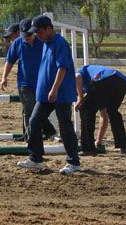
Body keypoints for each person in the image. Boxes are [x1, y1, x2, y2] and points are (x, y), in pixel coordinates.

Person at [17, 15, 81, 174]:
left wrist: (54, 89)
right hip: (46, 92)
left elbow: (62, 68)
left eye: (39, 31)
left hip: (61, 92)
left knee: (64, 124)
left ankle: (73, 161)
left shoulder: (60, 43)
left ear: (49, 28)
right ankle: (36, 159)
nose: (37, 35)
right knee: (34, 121)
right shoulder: (45, 42)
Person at [0, 19, 56, 142]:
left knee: (34, 110)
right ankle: (33, 136)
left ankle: (41, 132)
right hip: (24, 84)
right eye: (24, 36)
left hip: (42, 83)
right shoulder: (17, 43)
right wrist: (4, 77)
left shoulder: (43, 42)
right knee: (29, 109)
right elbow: (9, 61)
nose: (27, 38)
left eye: (29, 35)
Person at [75, 65, 126, 156]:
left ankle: (88, 148)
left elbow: (78, 77)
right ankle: (124, 147)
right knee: (112, 112)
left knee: (84, 108)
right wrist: (99, 140)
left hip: (104, 79)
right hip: (123, 82)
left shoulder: (81, 71)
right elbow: (104, 116)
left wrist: (80, 98)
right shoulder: (98, 92)